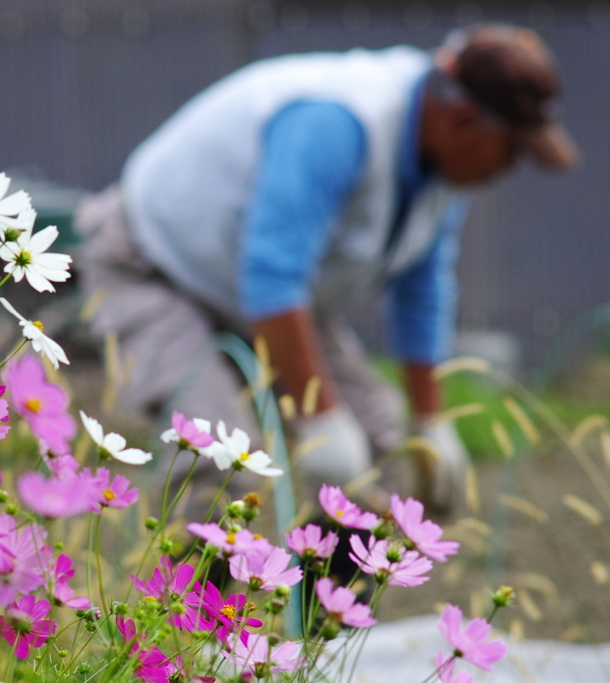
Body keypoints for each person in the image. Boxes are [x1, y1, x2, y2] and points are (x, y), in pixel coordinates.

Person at [74, 24, 577, 513]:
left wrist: (430, 422)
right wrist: (322, 422)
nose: (511, 167)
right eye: (512, 148)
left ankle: (324, 599)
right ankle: (184, 600)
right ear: (463, 118)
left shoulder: (443, 170)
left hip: (248, 289)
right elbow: (272, 278)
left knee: (378, 440)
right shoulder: (337, 124)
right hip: (152, 261)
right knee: (215, 458)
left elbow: (422, 286)